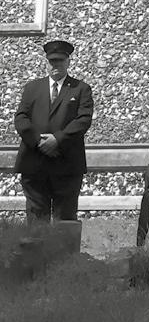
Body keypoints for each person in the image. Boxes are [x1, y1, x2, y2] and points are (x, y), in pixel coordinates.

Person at [14, 39, 94, 222]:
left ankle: (64, 244)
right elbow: (21, 118)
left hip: (66, 163)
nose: (55, 65)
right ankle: (38, 244)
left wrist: (57, 140)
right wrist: (39, 142)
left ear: (68, 62)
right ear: (46, 62)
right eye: (52, 61)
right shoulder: (32, 88)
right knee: (36, 220)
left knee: (65, 220)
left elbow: (83, 120)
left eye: (60, 60)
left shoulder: (81, 89)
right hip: (35, 162)